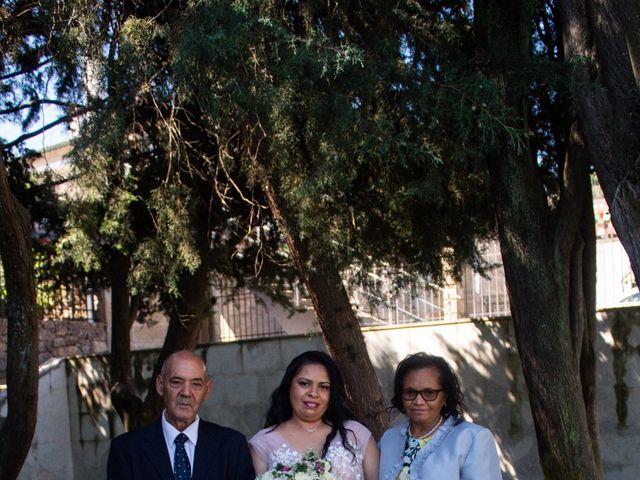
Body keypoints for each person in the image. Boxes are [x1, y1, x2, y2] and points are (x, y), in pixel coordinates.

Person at [107, 350, 255, 480]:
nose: (185, 392)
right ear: (160, 386)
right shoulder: (126, 450)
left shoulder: (232, 446)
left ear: (207, 390)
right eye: (176, 382)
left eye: (196, 384)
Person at [249, 350, 379, 480]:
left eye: (323, 387)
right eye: (304, 384)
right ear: (289, 386)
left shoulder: (357, 434)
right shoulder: (263, 443)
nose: (313, 393)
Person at [378, 353, 502, 480]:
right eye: (410, 392)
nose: (418, 401)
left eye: (429, 393)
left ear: (445, 396)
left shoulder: (472, 438)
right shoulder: (389, 439)